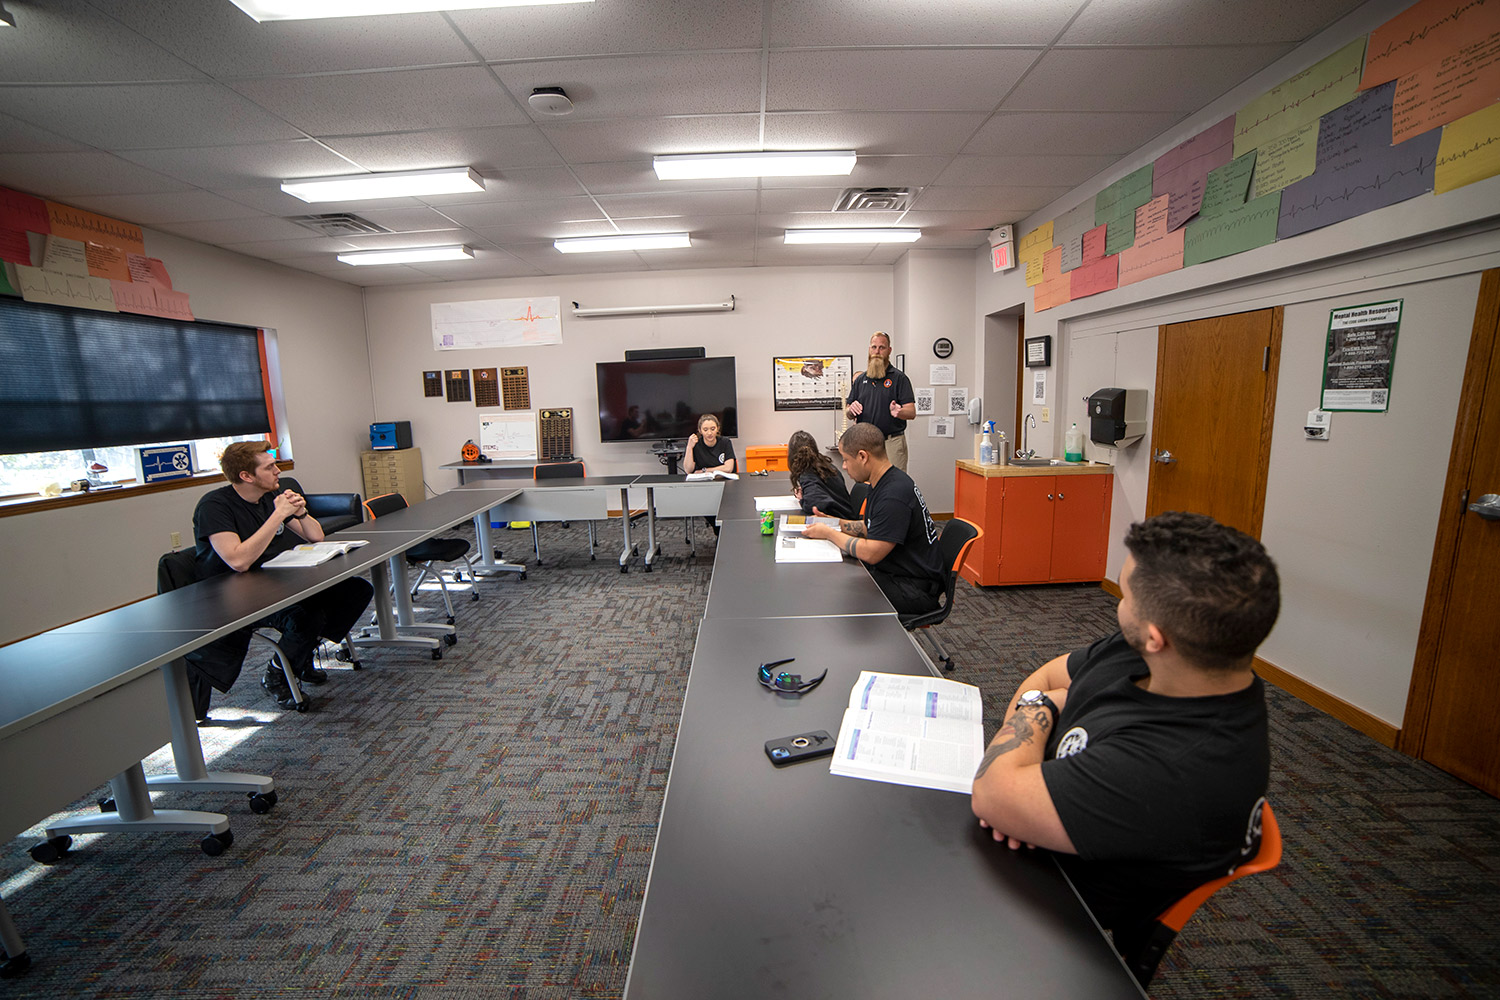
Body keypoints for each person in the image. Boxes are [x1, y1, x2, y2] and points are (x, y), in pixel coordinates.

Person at [969, 511, 1279, 964]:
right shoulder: (1156, 651)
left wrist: (1036, 722)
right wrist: (1031, 745)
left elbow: (993, 791)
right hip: (1032, 829)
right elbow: (1048, 676)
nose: (1117, 603)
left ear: (1156, 636)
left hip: (1051, 905)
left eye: (1123, 593)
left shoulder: (1180, 766)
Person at [188, 441, 374, 715]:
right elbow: (238, 561)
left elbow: (315, 536)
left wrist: (300, 512)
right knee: (305, 616)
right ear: (246, 476)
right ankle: (276, 676)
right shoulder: (215, 506)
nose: (278, 470)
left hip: (275, 580)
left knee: (354, 590)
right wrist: (278, 515)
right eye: (270, 466)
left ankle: (300, 656)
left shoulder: (266, 498)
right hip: (235, 595)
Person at [802, 423, 943, 614]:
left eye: (845, 459)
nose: (843, 466)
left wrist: (829, 533)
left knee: (836, 593)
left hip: (914, 588)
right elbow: (871, 528)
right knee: (835, 581)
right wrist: (833, 522)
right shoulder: (884, 482)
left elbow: (871, 552)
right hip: (898, 573)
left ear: (862, 456)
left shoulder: (893, 494)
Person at [845, 330, 916, 471]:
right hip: (866, 444)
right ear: (869, 349)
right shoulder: (860, 380)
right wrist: (851, 409)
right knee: (868, 486)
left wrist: (899, 412)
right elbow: (848, 412)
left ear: (889, 350)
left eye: (882, 347)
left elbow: (911, 412)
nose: (877, 351)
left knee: (894, 486)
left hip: (891, 442)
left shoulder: (899, 378)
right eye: (874, 347)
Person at [786, 429, 856, 520]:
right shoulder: (828, 466)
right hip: (847, 515)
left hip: (839, 522)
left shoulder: (806, 474)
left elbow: (815, 507)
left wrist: (802, 499)